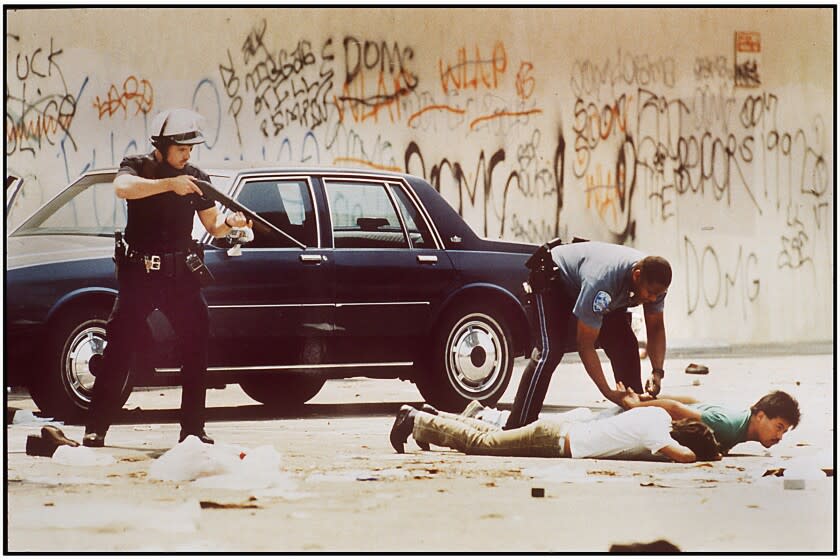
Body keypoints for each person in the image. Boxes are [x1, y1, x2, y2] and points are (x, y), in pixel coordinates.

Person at [82, 108, 250, 448]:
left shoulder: (196, 177)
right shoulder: (137, 165)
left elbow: (212, 226)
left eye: (191, 148)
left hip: (180, 278)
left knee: (196, 346)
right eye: (182, 148)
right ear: (162, 145)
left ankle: (192, 430)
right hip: (139, 275)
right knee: (119, 348)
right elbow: (122, 188)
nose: (188, 155)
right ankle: (95, 428)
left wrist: (232, 223)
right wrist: (168, 185)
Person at [504, 240, 672, 430]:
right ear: (637, 275)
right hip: (554, 280)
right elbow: (585, 345)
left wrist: (657, 372)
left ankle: (636, 415)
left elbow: (656, 327)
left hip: (595, 286)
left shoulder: (655, 285)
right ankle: (518, 425)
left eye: (659, 295)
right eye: (650, 293)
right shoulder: (603, 283)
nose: (653, 299)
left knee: (625, 345)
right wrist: (608, 392)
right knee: (550, 351)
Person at [389, 403, 721, 463]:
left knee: (490, 436)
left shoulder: (659, 416)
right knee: (482, 443)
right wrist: (710, 455)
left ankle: (435, 417)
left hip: (558, 432)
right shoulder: (657, 435)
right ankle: (415, 421)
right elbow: (685, 456)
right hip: (554, 441)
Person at [619, 388, 801, 454]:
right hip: (633, 425)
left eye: (784, 431)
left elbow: (695, 402)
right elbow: (676, 408)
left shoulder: (741, 420)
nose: (780, 437)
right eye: (779, 427)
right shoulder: (728, 425)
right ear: (760, 416)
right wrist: (635, 406)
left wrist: (644, 399)